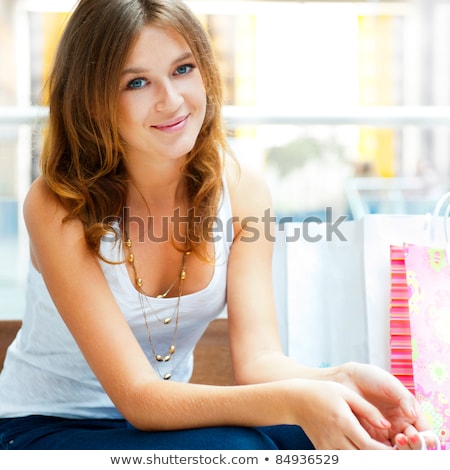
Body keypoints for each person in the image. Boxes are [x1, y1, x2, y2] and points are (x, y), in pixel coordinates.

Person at [0, 0, 433, 450]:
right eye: (137, 82)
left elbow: (259, 362)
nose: (171, 99)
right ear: (92, 100)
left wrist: (340, 384)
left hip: (169, 420)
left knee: (326, 435)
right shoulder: (56, 204)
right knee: (251, 447)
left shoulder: (242, 189)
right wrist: (302, 402)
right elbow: (140, 399)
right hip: (47, 425)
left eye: (183, 69)